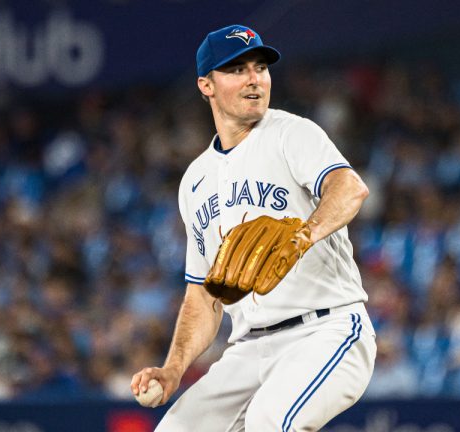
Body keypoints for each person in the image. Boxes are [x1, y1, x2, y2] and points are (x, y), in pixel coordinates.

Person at [131, 24, 376, 431]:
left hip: (326, 329)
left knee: (271, 422)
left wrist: (304, 234)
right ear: (205, 85)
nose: (253, 79)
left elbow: (350, 188)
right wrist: (172, 369)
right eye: (237, 69)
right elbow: (204, 296)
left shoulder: (291, 133)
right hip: (249, 348)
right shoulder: (195, 180)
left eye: (260, 67)